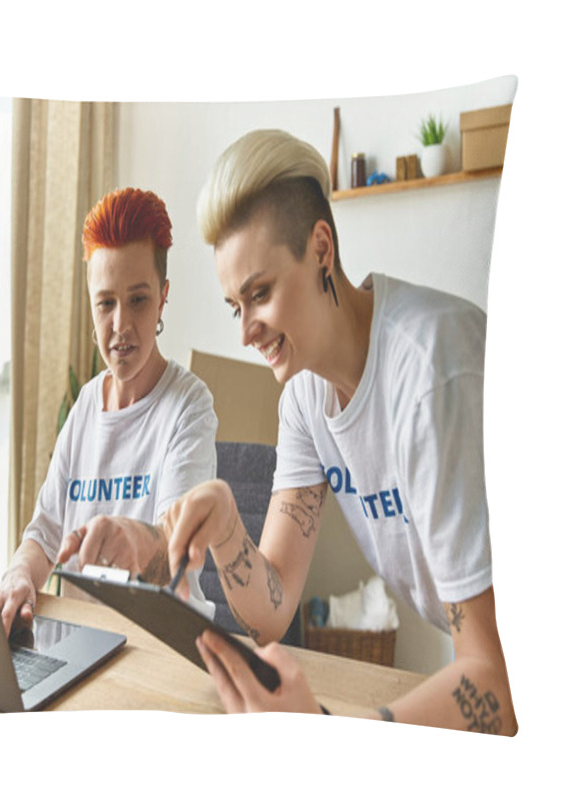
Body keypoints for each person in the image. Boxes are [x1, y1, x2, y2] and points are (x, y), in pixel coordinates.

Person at [164, 129, 517, 734]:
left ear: (321, 249)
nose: (245, 330)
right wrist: (226, 526)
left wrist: (339, 738)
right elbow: (272, 614)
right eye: (234, 306)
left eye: (260, 293)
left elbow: (500, 680)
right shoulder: (304, 395)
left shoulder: (429, 373)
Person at [0, 187, 217, 637]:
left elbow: (177, 555)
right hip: (78, 644)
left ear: (162, 298)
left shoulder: (189, 407)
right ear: (91, 304)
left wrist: (133, 542)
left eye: (138, 300)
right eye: (105, 303)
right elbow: (43, 535)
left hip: (159, 647)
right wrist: (20, 574)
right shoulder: (83, 409)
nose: (120, 326)